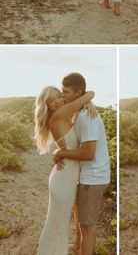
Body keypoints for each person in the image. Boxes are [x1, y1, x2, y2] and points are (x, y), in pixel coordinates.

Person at [53, 72, 110, 255]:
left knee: (88, 226)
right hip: (86, 176)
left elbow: (89, 153)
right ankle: (78, 249)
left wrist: (62, 152)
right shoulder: (79, 112)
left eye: (66, 92)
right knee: (81, 221)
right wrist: (88, 99)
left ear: (78, 93)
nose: (62, 96)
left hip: (93, 178)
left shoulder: (86, 116)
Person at [35, 83, 95, 255]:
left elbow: (85, 100)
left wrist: (88, 104)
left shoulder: (66, 115)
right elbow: (90, 93)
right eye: (50, 100)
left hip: (66, 176)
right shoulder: (58, 116)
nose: (56, 101)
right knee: (56, 224)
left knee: (59, 223)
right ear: (46, 106)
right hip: (63, 178)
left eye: (59, 96)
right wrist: (88, 100)